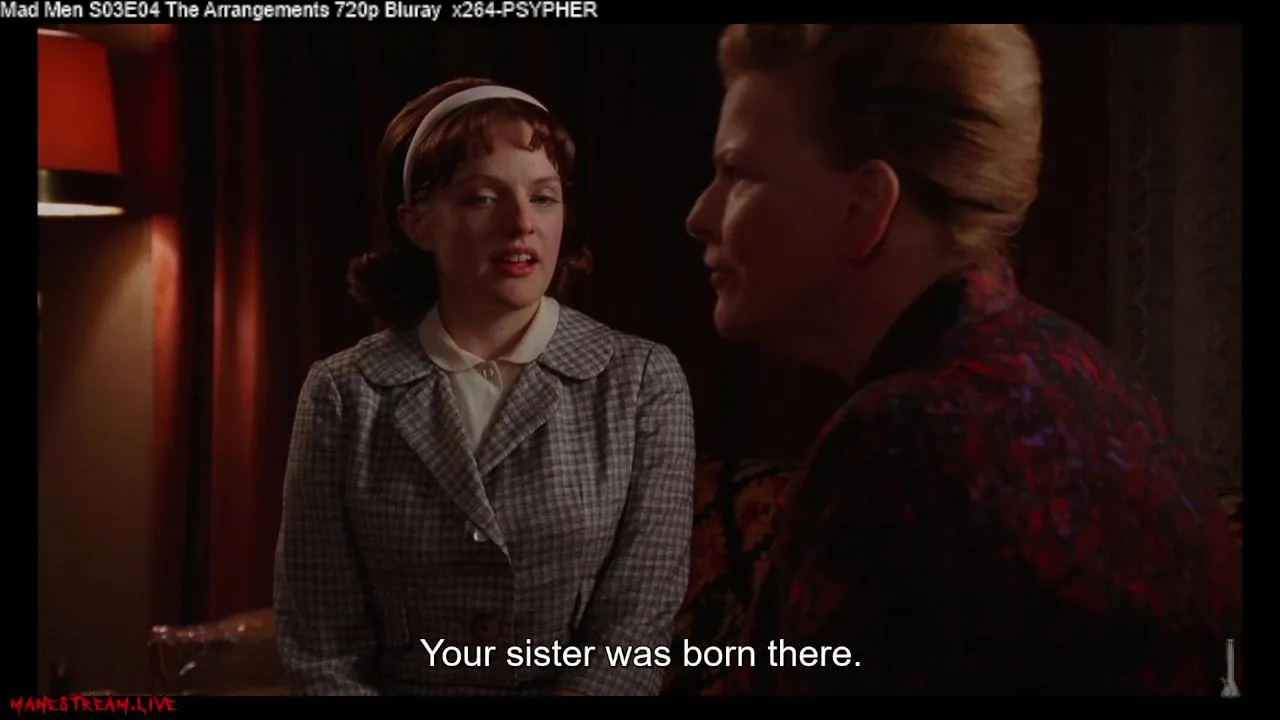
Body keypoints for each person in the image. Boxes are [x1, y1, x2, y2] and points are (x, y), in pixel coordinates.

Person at [685, 24, 1242, 695]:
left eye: (739, 174)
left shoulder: (907, 440)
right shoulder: (1091, 378)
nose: (700, 216)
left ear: (865, 206)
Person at [274, 78, 696, 696]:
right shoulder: (344, 393)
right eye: (482, 198)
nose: (522, 223)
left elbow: (634, 633)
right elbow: (321, 649)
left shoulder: (640, 381)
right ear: (417, 223)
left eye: (544, 197)